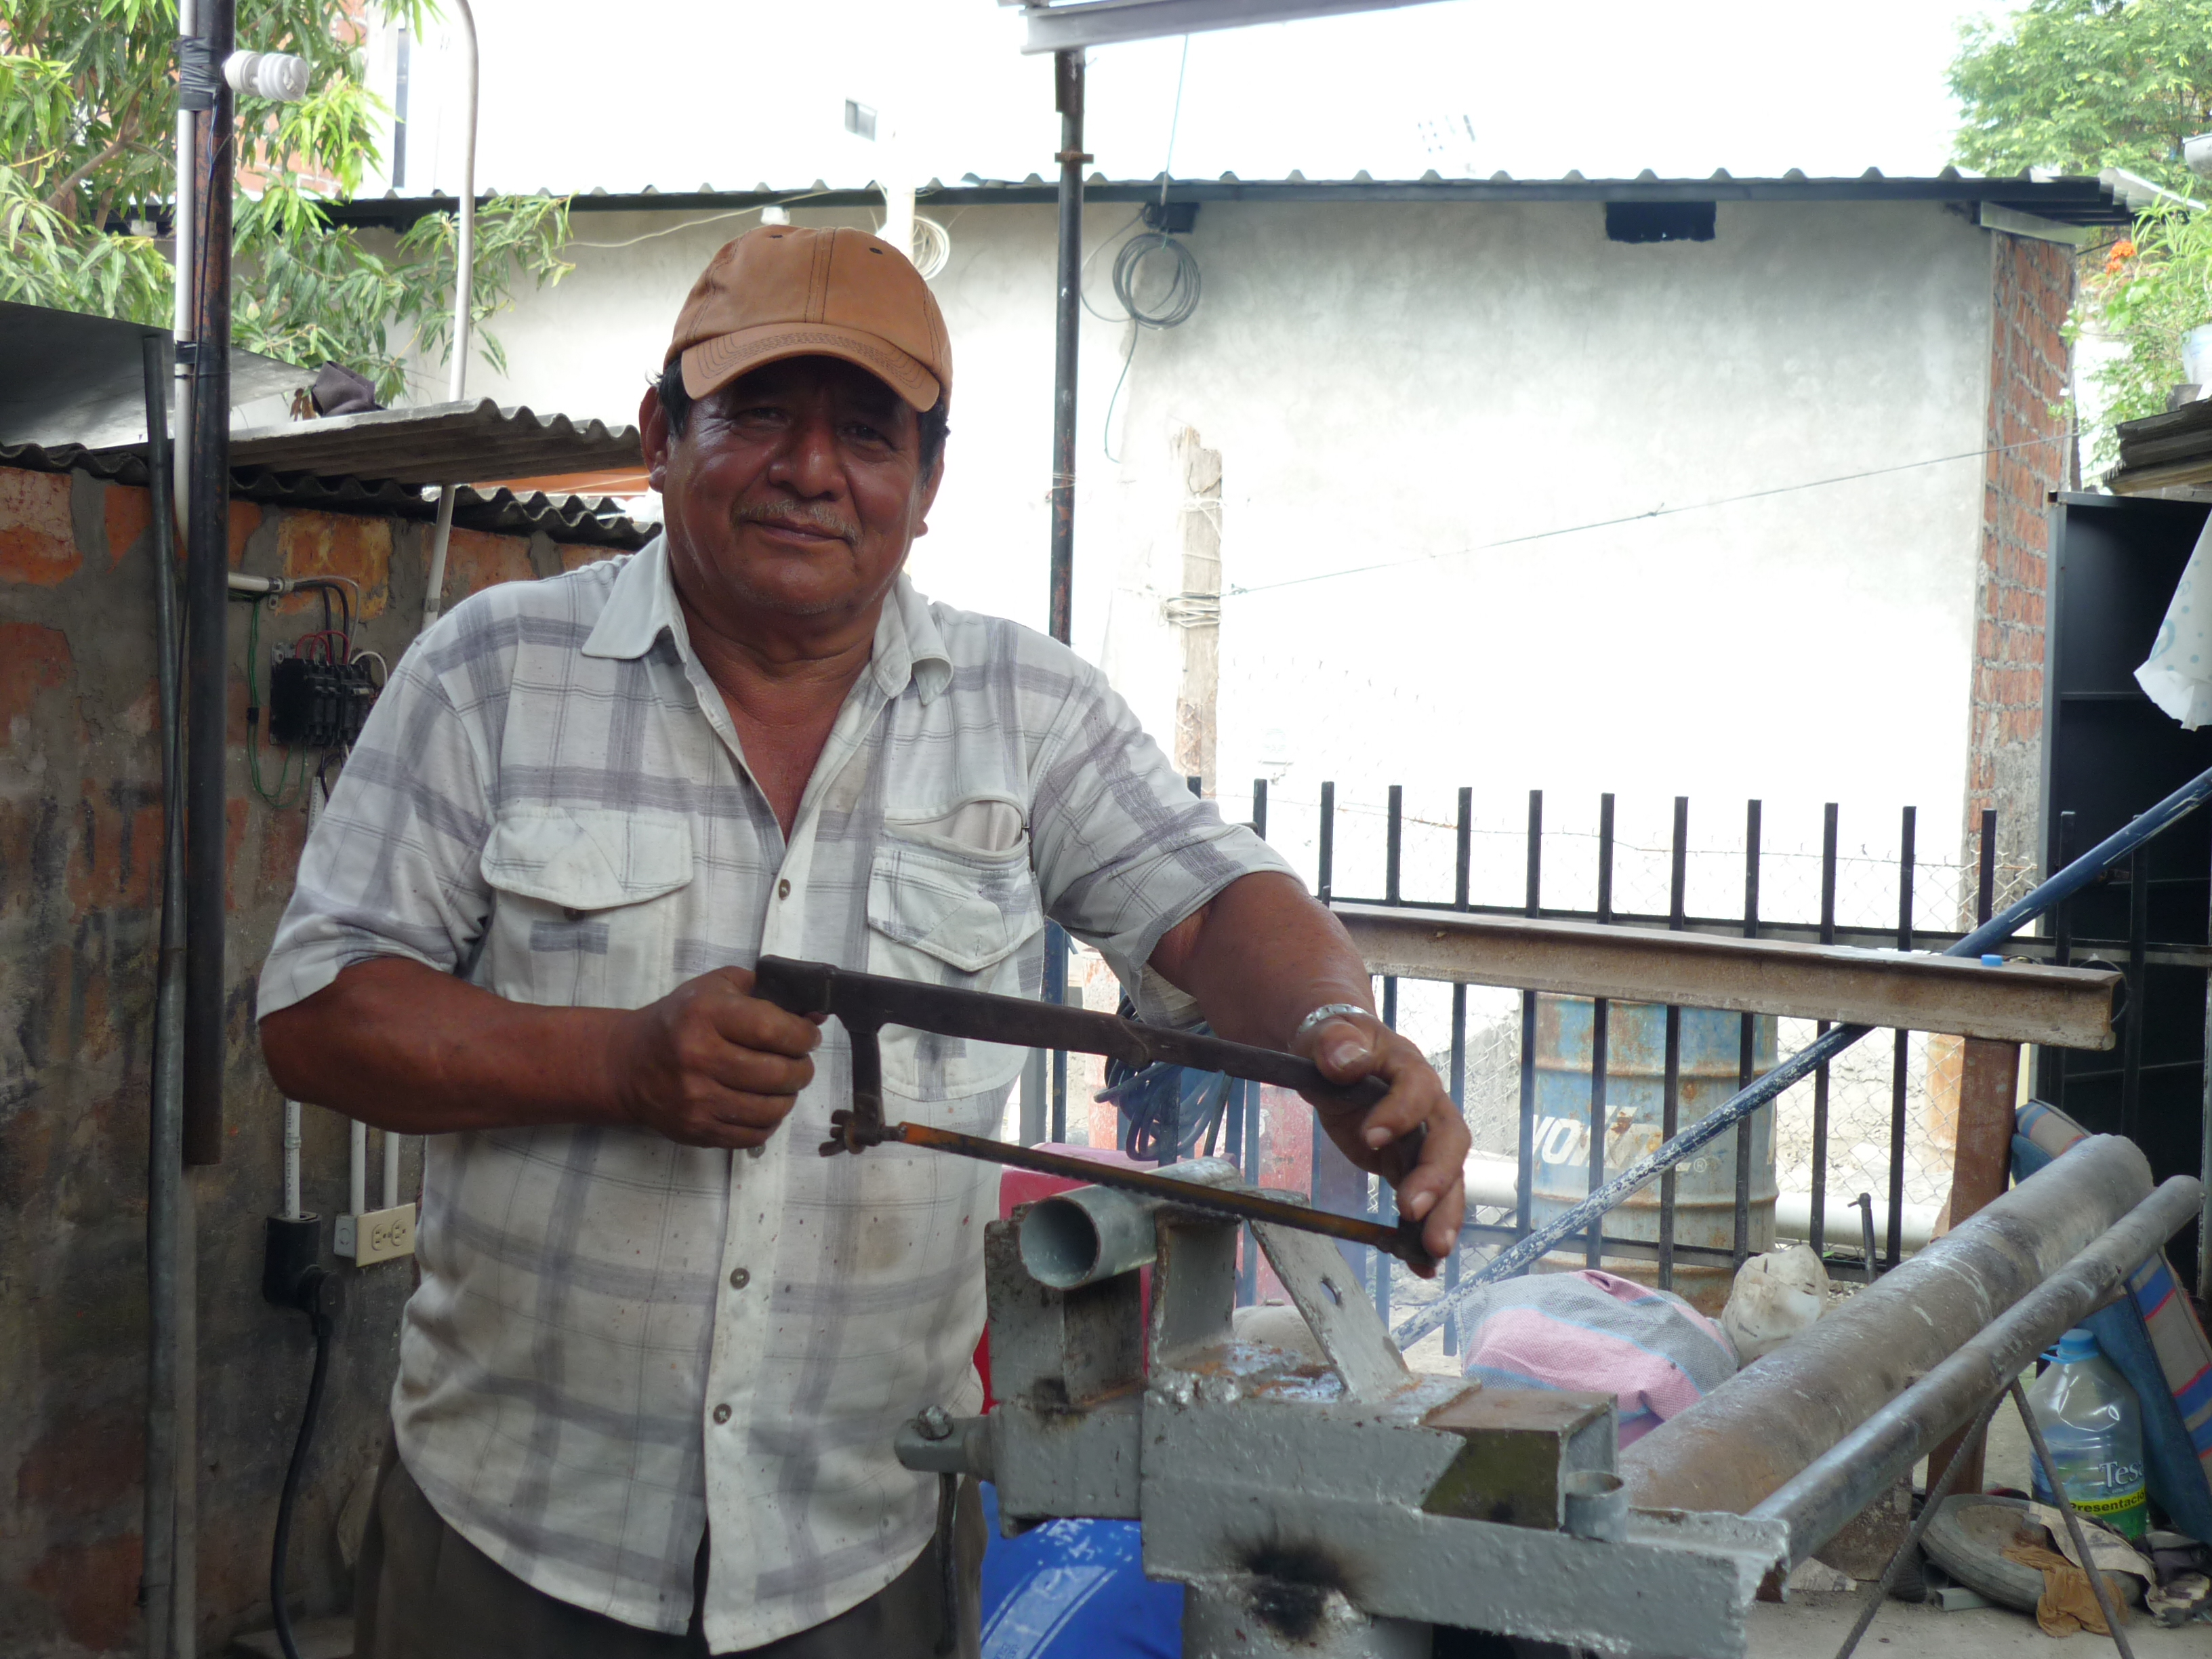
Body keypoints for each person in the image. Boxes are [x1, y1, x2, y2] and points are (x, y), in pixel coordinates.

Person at [258, 224, 1467, 1658]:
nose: (812, 469)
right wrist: (614, 1064)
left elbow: (1213, 901)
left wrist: (1335, 1032)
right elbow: (318, 1014)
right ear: (661, 433)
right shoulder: (491, 671)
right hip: (516, 1541)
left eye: (868, 433)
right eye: (758, 413)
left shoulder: (1029, 709)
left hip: (858, 1554)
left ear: (929, 483)